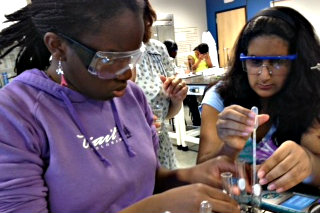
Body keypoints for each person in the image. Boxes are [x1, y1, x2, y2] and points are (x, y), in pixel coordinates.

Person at [0, 1, 241, 213]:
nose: (127, 72)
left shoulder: (131, 96)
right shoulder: (15, 112)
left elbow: (147, 179)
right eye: (110, 59)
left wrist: (190, 176)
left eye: (133, 57)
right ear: (58, 46)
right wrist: (156, 207)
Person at [197, 6, 320, 193]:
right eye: (255, 61)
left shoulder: (311, 99)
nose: (263, 76)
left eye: (278, 62)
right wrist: (228, 148)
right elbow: (201, 173)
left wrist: (310, 165)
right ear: (242, 61)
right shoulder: (220, 97)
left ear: (298, 63)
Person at [132, 0, 187, 169]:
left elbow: (167, 113)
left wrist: (177, 98)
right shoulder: (108, 55)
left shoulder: (156, 50)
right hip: (131, 150)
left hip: (161, 146)